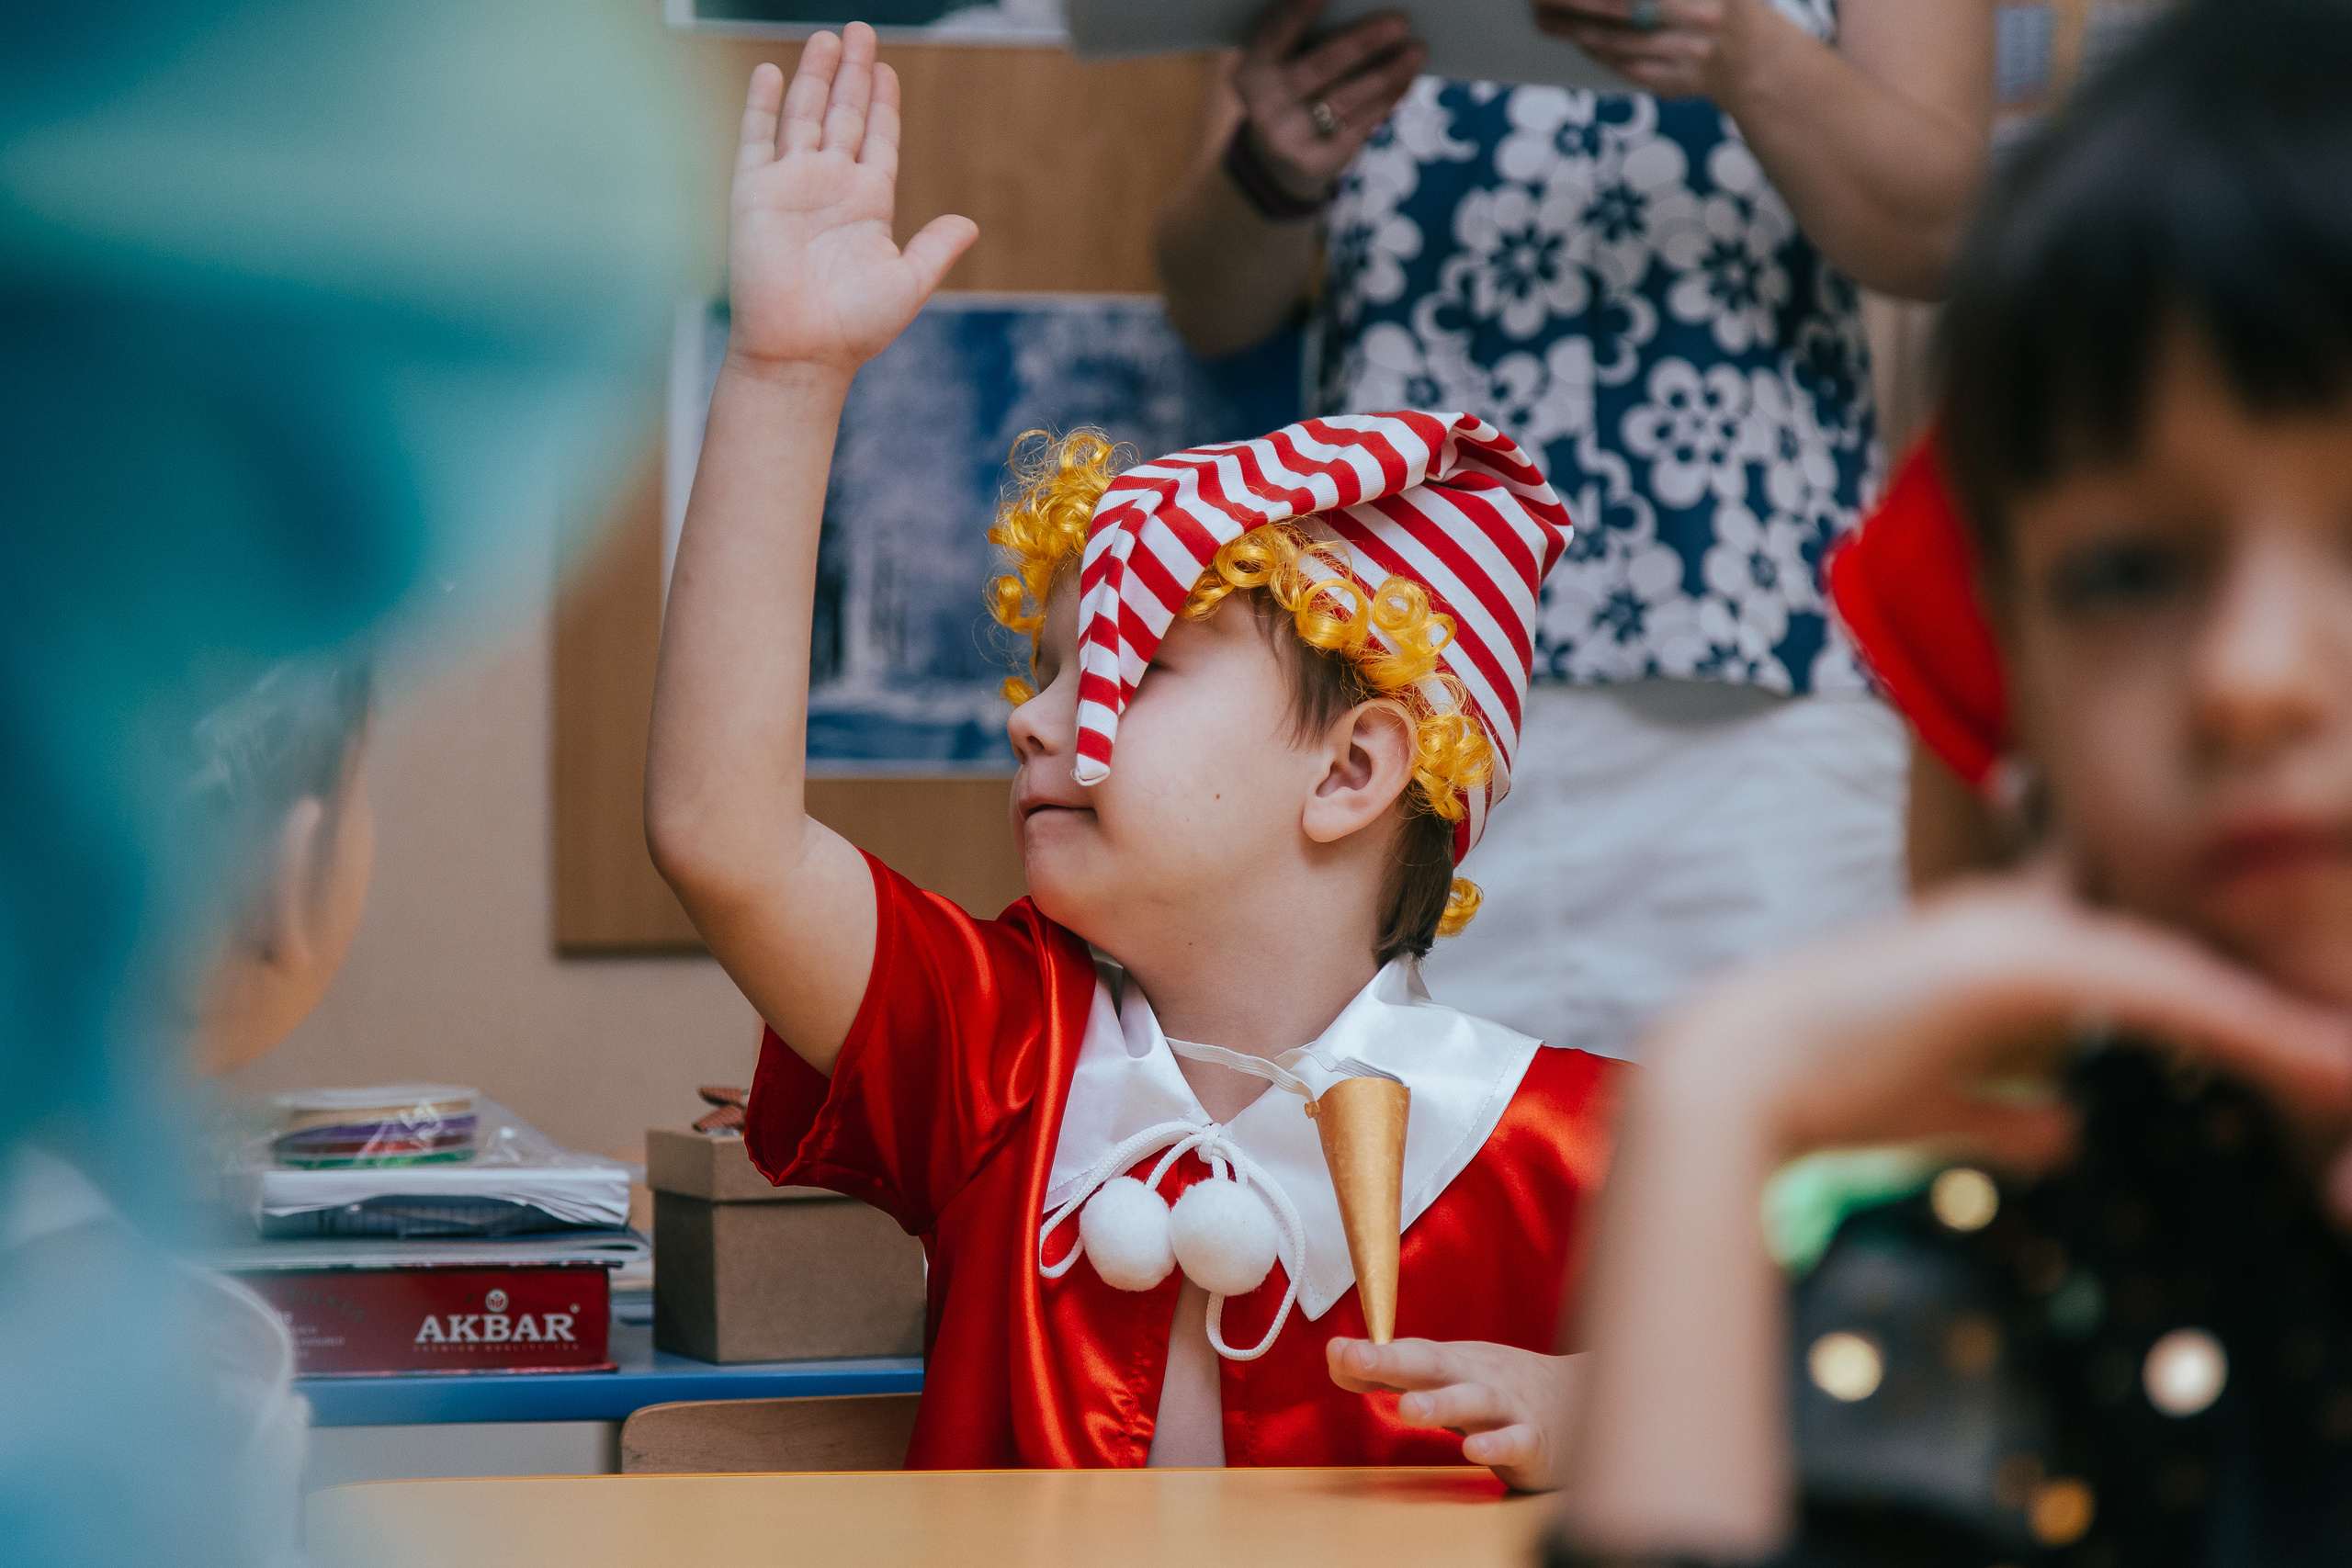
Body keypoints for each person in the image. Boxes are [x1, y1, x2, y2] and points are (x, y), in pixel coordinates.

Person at [647, 27, 1623, 1484]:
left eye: (1128, 672)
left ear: (1353, 772)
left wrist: (1628, 1404)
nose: (1035, 716)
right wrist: (786, 373)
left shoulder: (1587, 1145)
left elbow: (1888, 1381)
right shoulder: (994, 1055)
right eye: (1043, 671)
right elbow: (725, 836)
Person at [1550, 3, 2352, 1560]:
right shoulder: (1969, 1293)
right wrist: (1707, 1108)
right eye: (2127, 571)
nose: (2248, 675)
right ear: (2022, 682)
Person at [1154, 0, 1993, 1060]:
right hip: (1407, 701)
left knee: (1775, 1186)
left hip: (1760, 704)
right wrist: (1273, 165)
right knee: (1412, 1194)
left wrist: (1744, 48)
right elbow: (1208, 305)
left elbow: (1948, 234)